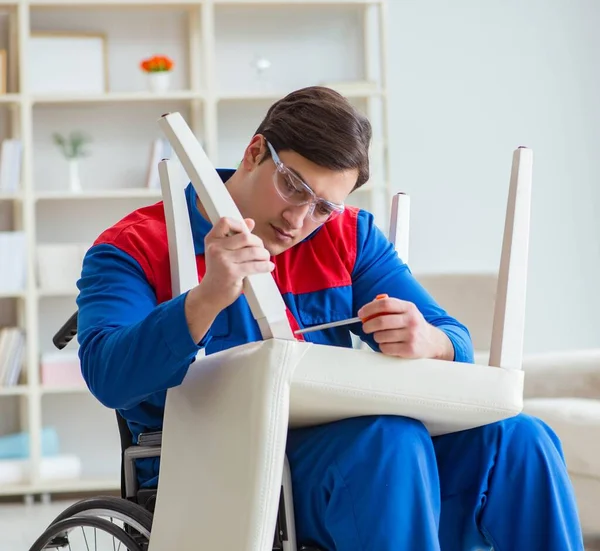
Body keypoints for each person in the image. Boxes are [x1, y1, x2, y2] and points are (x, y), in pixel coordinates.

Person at [76, 86, 584, 550]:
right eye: (294, 185)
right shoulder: (134, 246)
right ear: (255, 152)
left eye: (323, 206)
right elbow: (108, 376)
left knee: (521, 439)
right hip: (212, 463)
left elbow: (454, 338)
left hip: (346, 454)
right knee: (388, 440)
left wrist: (430, 341)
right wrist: (206, 299)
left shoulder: (350, 237)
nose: (300, 221)